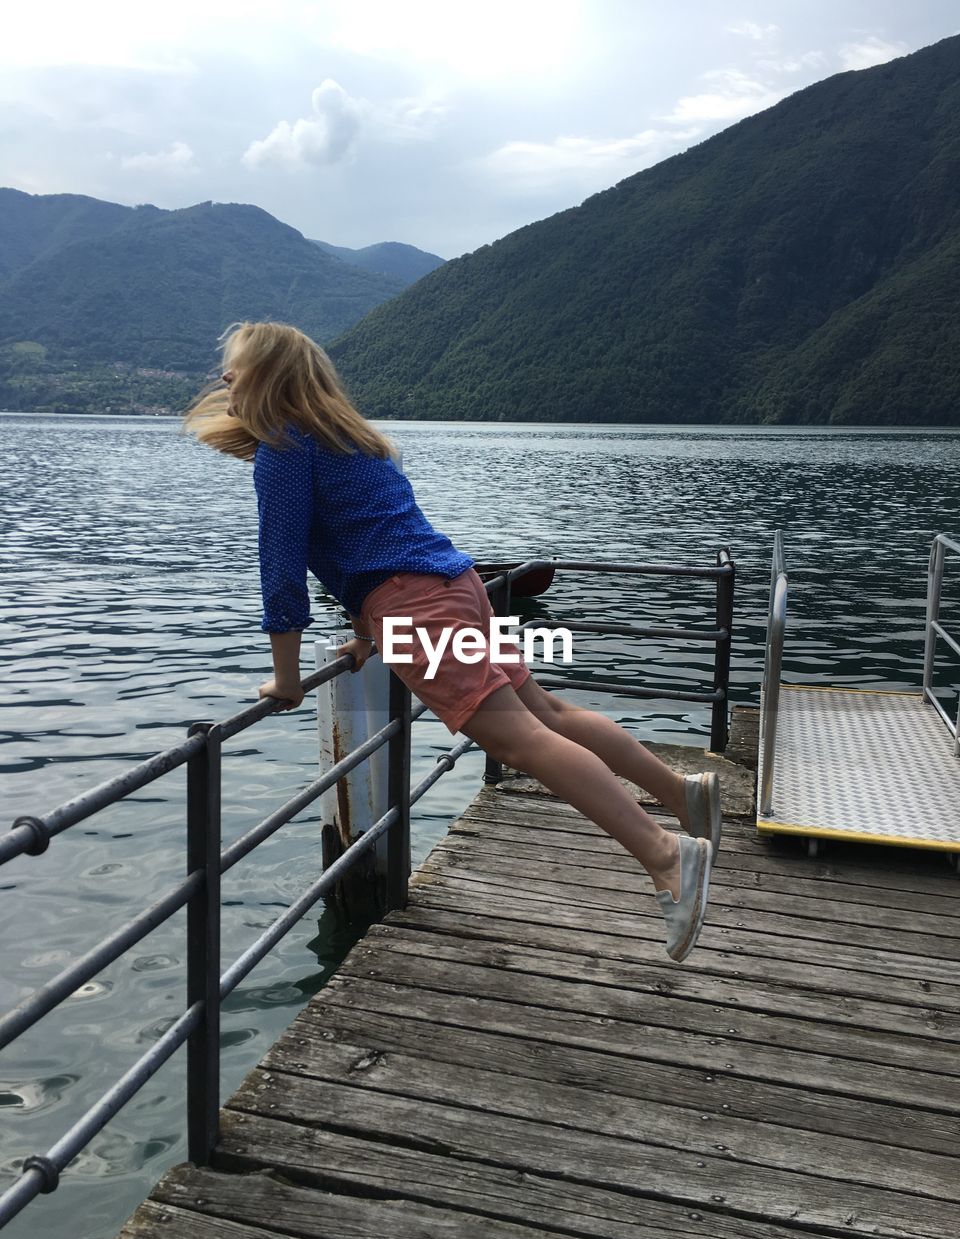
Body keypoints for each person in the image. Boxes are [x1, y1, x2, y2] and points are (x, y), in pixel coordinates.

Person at [182, 320, 720, 962]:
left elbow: (283, 564)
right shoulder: (354, 440)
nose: (225, 378)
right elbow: (370, 536)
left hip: (415, 603)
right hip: (456, 584)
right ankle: (680, 794)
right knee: (550, 713)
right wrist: (369, 633)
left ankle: (665, 855)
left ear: (267, 375)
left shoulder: (283, 449)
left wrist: (288, 678)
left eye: (235, 367)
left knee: (520, 738)